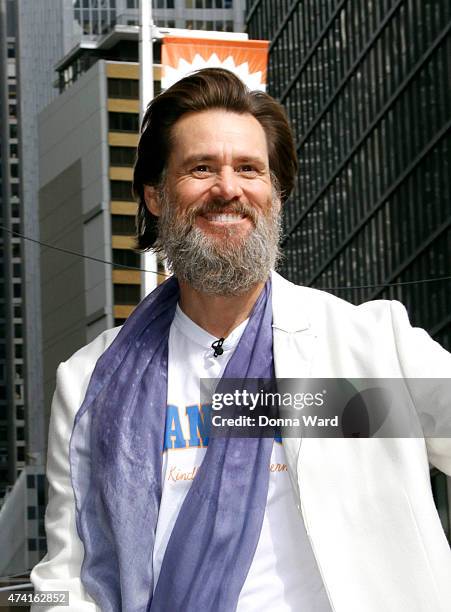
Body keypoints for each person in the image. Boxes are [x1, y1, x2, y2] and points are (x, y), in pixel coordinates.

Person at [31, 68, 451, 612]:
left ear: (274, 194)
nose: (228, 188)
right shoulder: (91, 381)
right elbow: (68, 575)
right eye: (201, 168)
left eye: (250, 169)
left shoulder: (369, 348)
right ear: (155, 196)